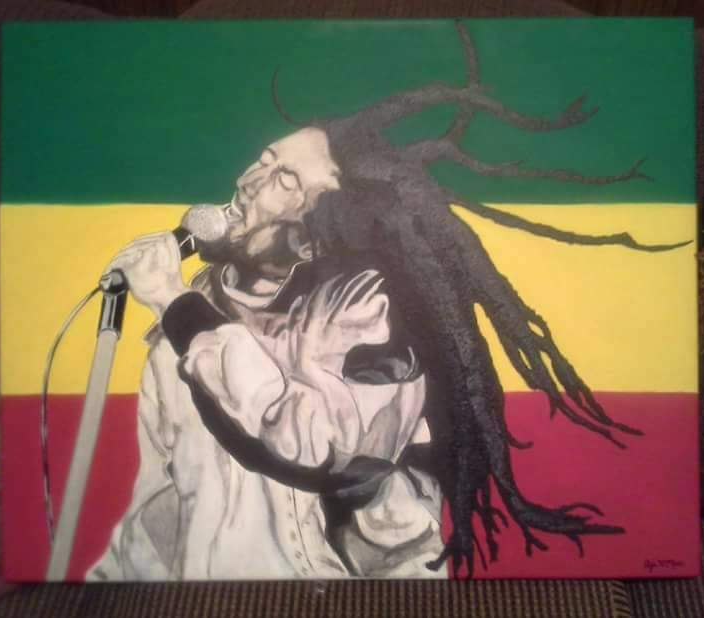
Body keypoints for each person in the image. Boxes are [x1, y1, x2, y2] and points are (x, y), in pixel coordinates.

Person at [87, 127, 445, 580]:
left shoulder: (372, 314)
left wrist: (180, 310)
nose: (248, 181)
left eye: (285, 179)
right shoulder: (185, 321)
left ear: (312, 241)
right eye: (263, 160)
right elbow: (161, 505)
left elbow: (314, 447)